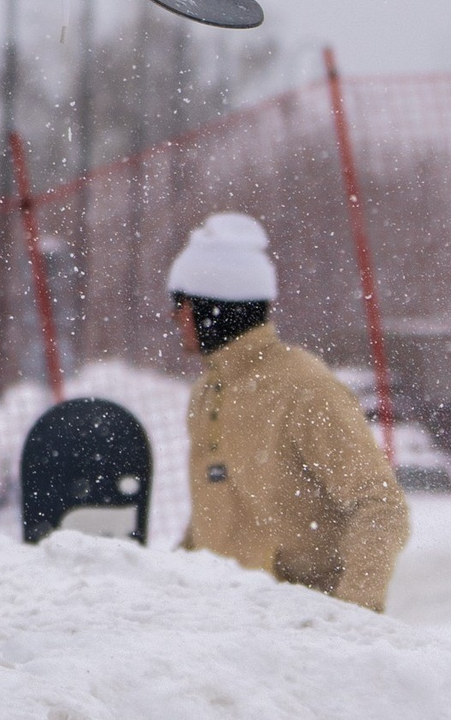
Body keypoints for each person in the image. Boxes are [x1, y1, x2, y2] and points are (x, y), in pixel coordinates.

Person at [167, 213, 409, 611]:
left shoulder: (305, 390)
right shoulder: (207, 393)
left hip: (299, 627)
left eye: (180, 304)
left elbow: (380, 506)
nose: (174, 316)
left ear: (211, 308)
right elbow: (214, 522)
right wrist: (166, 590)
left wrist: (352, 616)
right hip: (219, 625)